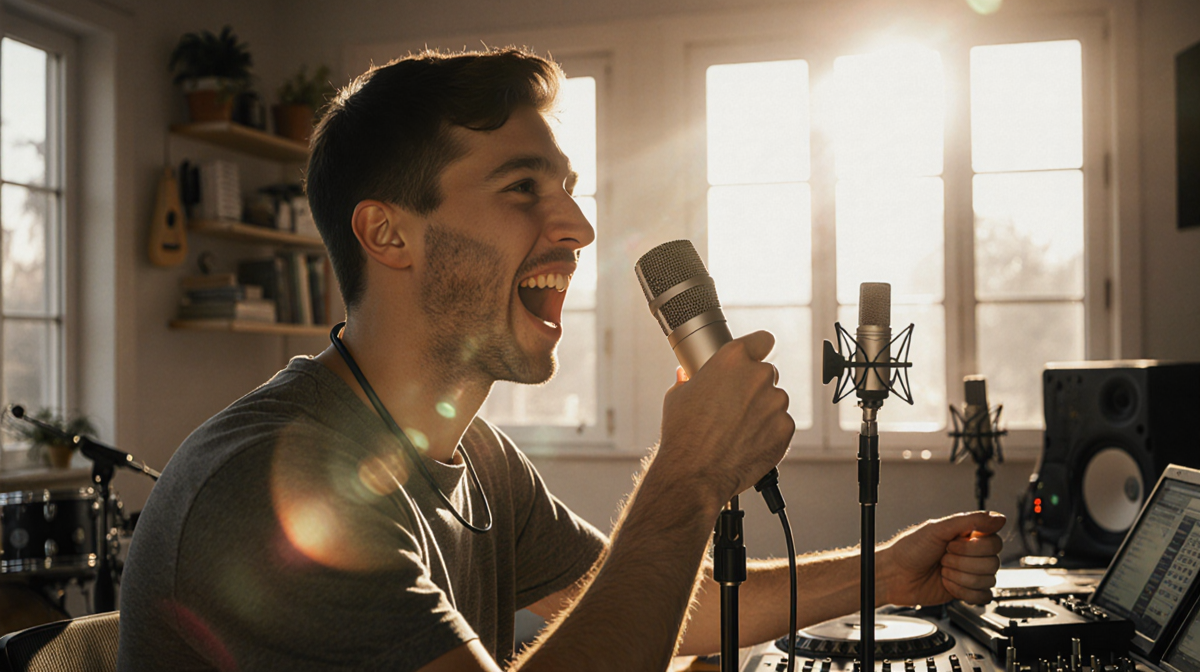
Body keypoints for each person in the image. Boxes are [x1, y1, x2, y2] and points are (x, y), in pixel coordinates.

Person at [117, 47, 1005, 672]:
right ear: (388, 234)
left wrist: (888, 573)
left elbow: (669, 603)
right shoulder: (270, 487)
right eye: (522, 188)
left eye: (571, 191)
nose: (579, 227)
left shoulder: (479, 456)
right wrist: (687, 478)